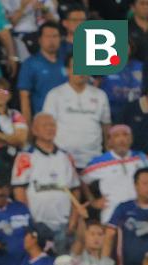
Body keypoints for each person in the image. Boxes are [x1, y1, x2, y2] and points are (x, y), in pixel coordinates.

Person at [12, 113, 80, 253]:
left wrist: (73, 222)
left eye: (52, 125)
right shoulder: (26, 156)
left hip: (64, 225)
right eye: (45, 125)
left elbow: (75, 190)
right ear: (35, 130)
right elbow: (19, 190)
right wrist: (29, 221)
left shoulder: (65, 157)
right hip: (37, 225)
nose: (50, 128)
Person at [42, 62, 111, 171]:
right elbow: (45, 126)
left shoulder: (100, 95)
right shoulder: (55, 94)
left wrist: (108, 152)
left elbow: (106, 126)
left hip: (94, 159)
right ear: (67, 70)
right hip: (61, 159)